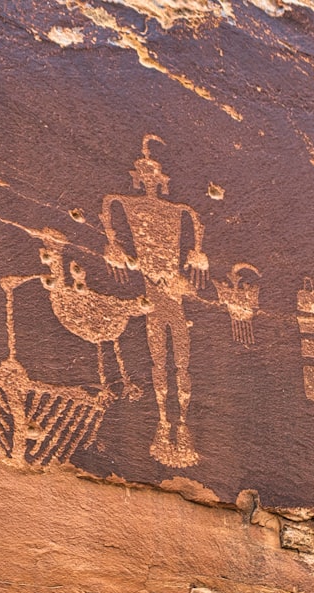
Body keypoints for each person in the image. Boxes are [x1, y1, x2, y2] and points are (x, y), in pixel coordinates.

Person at [99, 135, 209, 467]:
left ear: (159, 180)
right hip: (157, 297)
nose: (148, 182)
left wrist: (196, 254)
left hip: (170, 298)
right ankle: (164, 423)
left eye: (152, 177)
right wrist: (114, 245)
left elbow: (194, 222)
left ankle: (182, 425)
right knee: (160, 363)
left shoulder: (177, 211)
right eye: (144, 176)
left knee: (180, 363)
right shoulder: (129, 205)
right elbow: (108, 207)